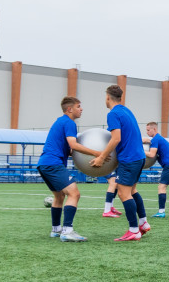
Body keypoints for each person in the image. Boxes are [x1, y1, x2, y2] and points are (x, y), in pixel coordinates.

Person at [36, 96, 101, 241]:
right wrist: (98, 153)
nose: (81, 109)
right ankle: (67, 231)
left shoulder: (60, 121)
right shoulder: (69, 122)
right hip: (53, 164)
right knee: (74, 194)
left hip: (44, 164)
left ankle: (56, 230)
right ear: (69, 109)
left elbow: (70, 150)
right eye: (78, 106)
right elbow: (74, 145)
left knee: (59, 196)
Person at [90, 85, 150, 241]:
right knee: (132, 191)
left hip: (129, 159)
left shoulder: (113, 114)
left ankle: (134, 230)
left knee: (124, 193)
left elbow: (116, 138)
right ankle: (143, 223)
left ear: (108, 97)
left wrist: (102, 157)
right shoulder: (126, 111)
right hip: (138, 157)